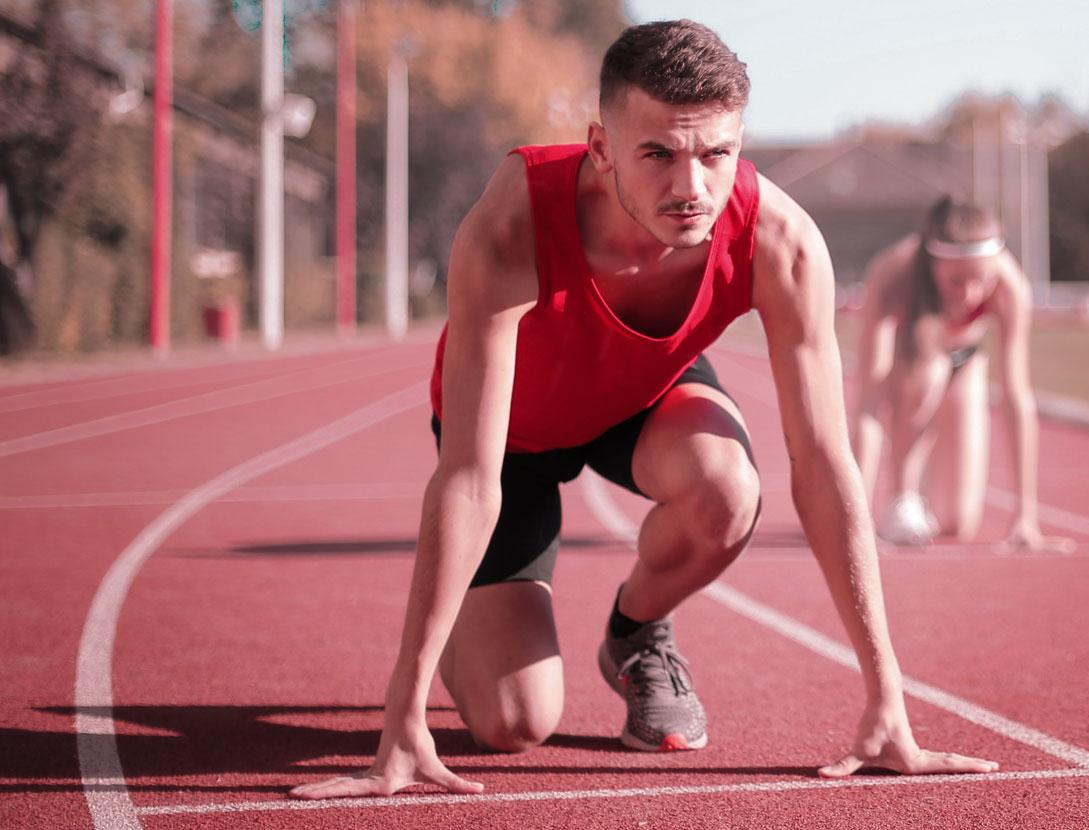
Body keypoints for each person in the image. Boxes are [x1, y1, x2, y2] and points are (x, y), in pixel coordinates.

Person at [291, 20, 995, 800]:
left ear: (739, 143)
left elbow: (826, 467)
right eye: (657, 153)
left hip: (641, 399)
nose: (690, 187)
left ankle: (635, 633)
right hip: (513, 436)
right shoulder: (512, 223)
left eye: (715, 154)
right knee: (514, 725)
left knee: (730, 489)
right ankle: (463, 617)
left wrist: (886, 700)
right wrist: (404, 715)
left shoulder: (781, 242)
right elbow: (467, 477)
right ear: (601, 147)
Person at [848, 198, 1073, 552]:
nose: (969, 294)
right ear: (932, 265)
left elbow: (1017, 396)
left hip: (966, 361)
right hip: (909, 365)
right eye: (955, 281)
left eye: (979, 280)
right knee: (930, 373)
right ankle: (903, 498)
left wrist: (1025, 514)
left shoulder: (1009, 285)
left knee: (956, 522)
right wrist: (853, 514)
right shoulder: (893, 274)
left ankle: (926, 496)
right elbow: (869, 402)